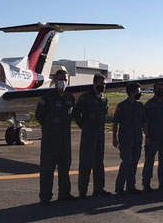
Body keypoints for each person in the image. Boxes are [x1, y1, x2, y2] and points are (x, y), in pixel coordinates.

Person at [35, 68, 76, 205]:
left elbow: (71, 115)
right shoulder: (47, 97)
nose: (62, 82)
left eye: (65, 79)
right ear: (54, 81)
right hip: (50, 139)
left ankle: (64, 193)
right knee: (47, 168)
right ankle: (45, 196)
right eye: (60, 79)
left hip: (65, 139)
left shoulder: (70, 98)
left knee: (65, 167)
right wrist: (49, 127)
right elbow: (38, 115)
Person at [73, 74, 111, 198]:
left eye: (104, 84)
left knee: (99, 162)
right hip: (88, 134)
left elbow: (105, 113)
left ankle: (99, 189)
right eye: (100, 83)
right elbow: (76, 113)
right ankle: (82, 191)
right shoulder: (85, 98)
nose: (102, 86)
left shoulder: (104, 98)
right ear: (94, 83)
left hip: (100, 134)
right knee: (85, 163)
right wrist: (84, 126)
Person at [113, 82, 146, 194]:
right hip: (126, 138)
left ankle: (131, 186)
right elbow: (115, 123)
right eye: (137, 91)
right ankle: (119, 187)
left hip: (137, 138)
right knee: (127, 161)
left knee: (134, 162)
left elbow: (143, 122)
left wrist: (147, 135)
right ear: (131, 92)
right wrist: (114, 138)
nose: (139, 93)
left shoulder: (140, 105)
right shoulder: (122, 106)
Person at [142, 82, 163, 191]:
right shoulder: (149, 105)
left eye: (162, 89)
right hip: (153, 137)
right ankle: (146, 184)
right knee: (149, 162)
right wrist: (147, 136)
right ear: (154, 91)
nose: (161, 91)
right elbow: (144, 121)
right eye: (159, 89)